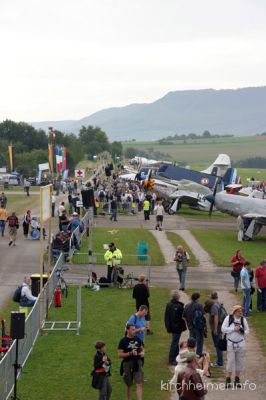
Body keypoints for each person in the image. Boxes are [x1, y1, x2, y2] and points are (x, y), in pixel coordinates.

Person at [221, 305, 249, 388]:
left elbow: (247, 331)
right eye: (239, 311)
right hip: (230, 343)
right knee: (230, 361)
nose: (241, 313)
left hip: (241, 343)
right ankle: (228, 379)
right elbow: (223, 329)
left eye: (241, 311)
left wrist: (242, 332)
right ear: (234, 312)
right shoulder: (228, 318)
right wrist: (233, 329)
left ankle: (237, 379)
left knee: (240, 361)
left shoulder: (243, 319)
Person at [118, 324, 145, 400]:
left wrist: (142, 353)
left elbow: (142, 348)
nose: (134, 331)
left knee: (139, 384)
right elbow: (120, 355)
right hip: (127, 364)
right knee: (129, 385)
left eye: (135, 329)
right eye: (132, 329)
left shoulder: (138, 339)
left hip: (137, 363)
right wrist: (130, 353)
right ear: (127, 330)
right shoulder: (123, 341)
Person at [164, 290, 187, 365]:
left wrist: (167, 326)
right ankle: (171, 359)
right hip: (177, 327)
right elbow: (182, 316)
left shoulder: (169, 304)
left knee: (175, 341)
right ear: (178, 298)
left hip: (171, 326)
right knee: (174, 342)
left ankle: (176, 356)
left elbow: (166, 316)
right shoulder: (179, 306)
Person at [205, 291, 224, 368]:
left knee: (218, 345)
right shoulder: (218, 303)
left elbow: (216, 318)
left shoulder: (214, 306)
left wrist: (215, 329)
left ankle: (219, 363)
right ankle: (219, 361)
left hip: (217, 328)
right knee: (218, 344)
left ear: (211, 297)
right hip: (219, 327)